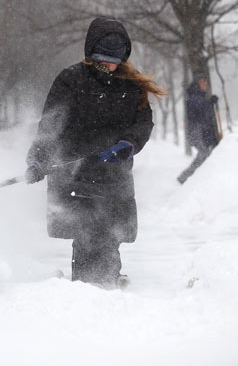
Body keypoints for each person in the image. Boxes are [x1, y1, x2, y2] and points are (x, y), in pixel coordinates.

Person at [25, 16, 166, 289]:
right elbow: (50, 126)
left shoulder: (132, 86)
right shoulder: (70, 81)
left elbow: (142, 123)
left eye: (115, 60)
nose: (110, 66)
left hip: (115, 175)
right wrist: (38, 160)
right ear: (91, 55)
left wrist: (128, 144)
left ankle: (106, 284)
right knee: (88, 232)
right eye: (103, 59)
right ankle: (91, 289)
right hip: (75, 176)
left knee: (111, 233)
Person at [176, 74, 221, 184]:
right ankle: (186, 178)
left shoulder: (198, 97)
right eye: (202, 82)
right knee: (204, 155)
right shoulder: (193, 97)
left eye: (205, 82)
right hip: (197, 133)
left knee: (204, 155)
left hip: (200, 133)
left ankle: (188, 178)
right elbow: (202, 112)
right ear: (197, 84)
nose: (205, 85)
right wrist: (210, 103)